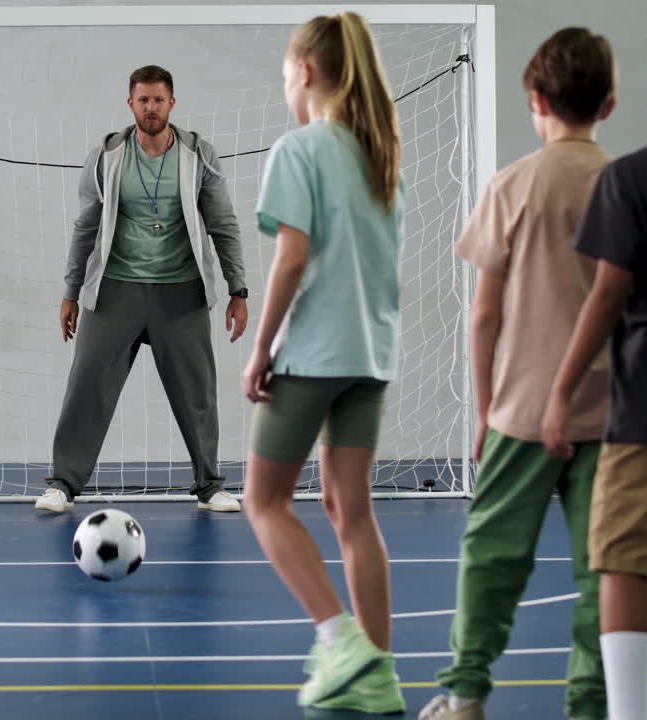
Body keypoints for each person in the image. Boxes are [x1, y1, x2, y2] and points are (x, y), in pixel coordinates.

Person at [420, 27, 618, 720]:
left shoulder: (513, 186)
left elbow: (483, 316)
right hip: (611, 415)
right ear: (612, 101)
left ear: (534, 98)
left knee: (491, 558)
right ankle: (593, 706)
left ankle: (467, 693)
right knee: (604, 572)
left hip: (521, 412)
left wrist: (482, 411)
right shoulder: (627, 187)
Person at [542, 9, 647, 720]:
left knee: (620, 560)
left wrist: (561, 392)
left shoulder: (636, 178)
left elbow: (607, 295)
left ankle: (630, 714)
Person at [241, 12, 406, 713]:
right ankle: (379, 673)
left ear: (304, 72)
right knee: (350, 511)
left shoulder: (300, 148)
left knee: (264, 500)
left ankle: (339, 641)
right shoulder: (380, 154)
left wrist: (262, 347)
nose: (285, 88)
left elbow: (293, 257)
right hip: (370, 356)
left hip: (313, 353)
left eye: (285, 76)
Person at [39, 64, 248, 513]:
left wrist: (239, 289)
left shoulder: (198, 154)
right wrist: (71, 291)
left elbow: (223, 225)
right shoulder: (107, 155)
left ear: (172, 103)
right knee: (87, 386)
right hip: (115, 290)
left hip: (182, 291)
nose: (151, 107)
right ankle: (62, 484)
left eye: (158, 99)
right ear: (130, 103)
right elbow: (85, 227)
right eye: (143, 99)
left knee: (198, 393)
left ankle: (210, 486)